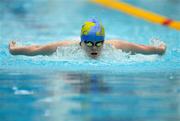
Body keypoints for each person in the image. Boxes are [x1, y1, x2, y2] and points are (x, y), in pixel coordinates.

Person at [9, 19, 166, 59]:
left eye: (99, 43)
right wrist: (15, 50)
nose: (94, 47)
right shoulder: (67, 47)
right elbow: (37, 49)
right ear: (81, 42)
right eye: (89, 43)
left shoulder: (116, 46)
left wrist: (159, 49)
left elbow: (142, 49)